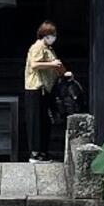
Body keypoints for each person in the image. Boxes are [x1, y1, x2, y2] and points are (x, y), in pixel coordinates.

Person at [22, 19, 65, 159]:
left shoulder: (48, 49)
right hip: (36, 88)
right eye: (52, 35)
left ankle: (43, 151)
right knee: (36, 121)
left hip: (46, 89)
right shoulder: (37, 47)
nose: (53, 38)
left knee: (45, 121)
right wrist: (52, 64)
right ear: (45, 35)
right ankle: (35, 153)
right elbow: (34, 65)